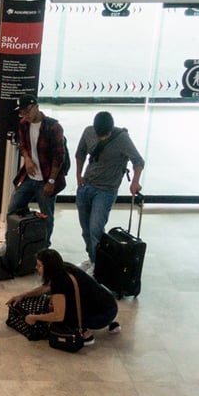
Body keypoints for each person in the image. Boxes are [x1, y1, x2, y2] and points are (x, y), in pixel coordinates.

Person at [74, 111, 145, 274]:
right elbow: (80, 154)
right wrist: (78, 175)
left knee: (96, 229)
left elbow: (138, 161)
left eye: (105, 135)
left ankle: (99, 266)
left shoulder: (122, 138)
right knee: (86, 230)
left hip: (106, 191)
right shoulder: (88, 132)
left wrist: (135, 181)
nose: (102, 138)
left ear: (111, 129)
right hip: (86, 186)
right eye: (100, 135)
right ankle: (93, 259)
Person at [6, 248, 122, 345]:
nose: (37, 268)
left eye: (40, 266)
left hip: (102, 316)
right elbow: (45, 288)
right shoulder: (64, 267)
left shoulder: (59, 282)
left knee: (61, 313)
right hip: (109, 304)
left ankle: (85, 334)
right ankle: (108, 322)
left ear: (49, 267)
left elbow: (58, 316)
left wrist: (34, 317)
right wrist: (22, 296)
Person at [7, 94, 67, 244]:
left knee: (46, 216)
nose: (24, 115)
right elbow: (23, 145)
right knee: (13, 209)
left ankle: (44, 247)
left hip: (46, 179)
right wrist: (27, 159)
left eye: (26, 111)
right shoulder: (23, 124)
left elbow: (59, 157)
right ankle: (12, 242)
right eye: (21, 112)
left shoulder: (53, 127)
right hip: (28, 177)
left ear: (36, 107)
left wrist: (51, 181)